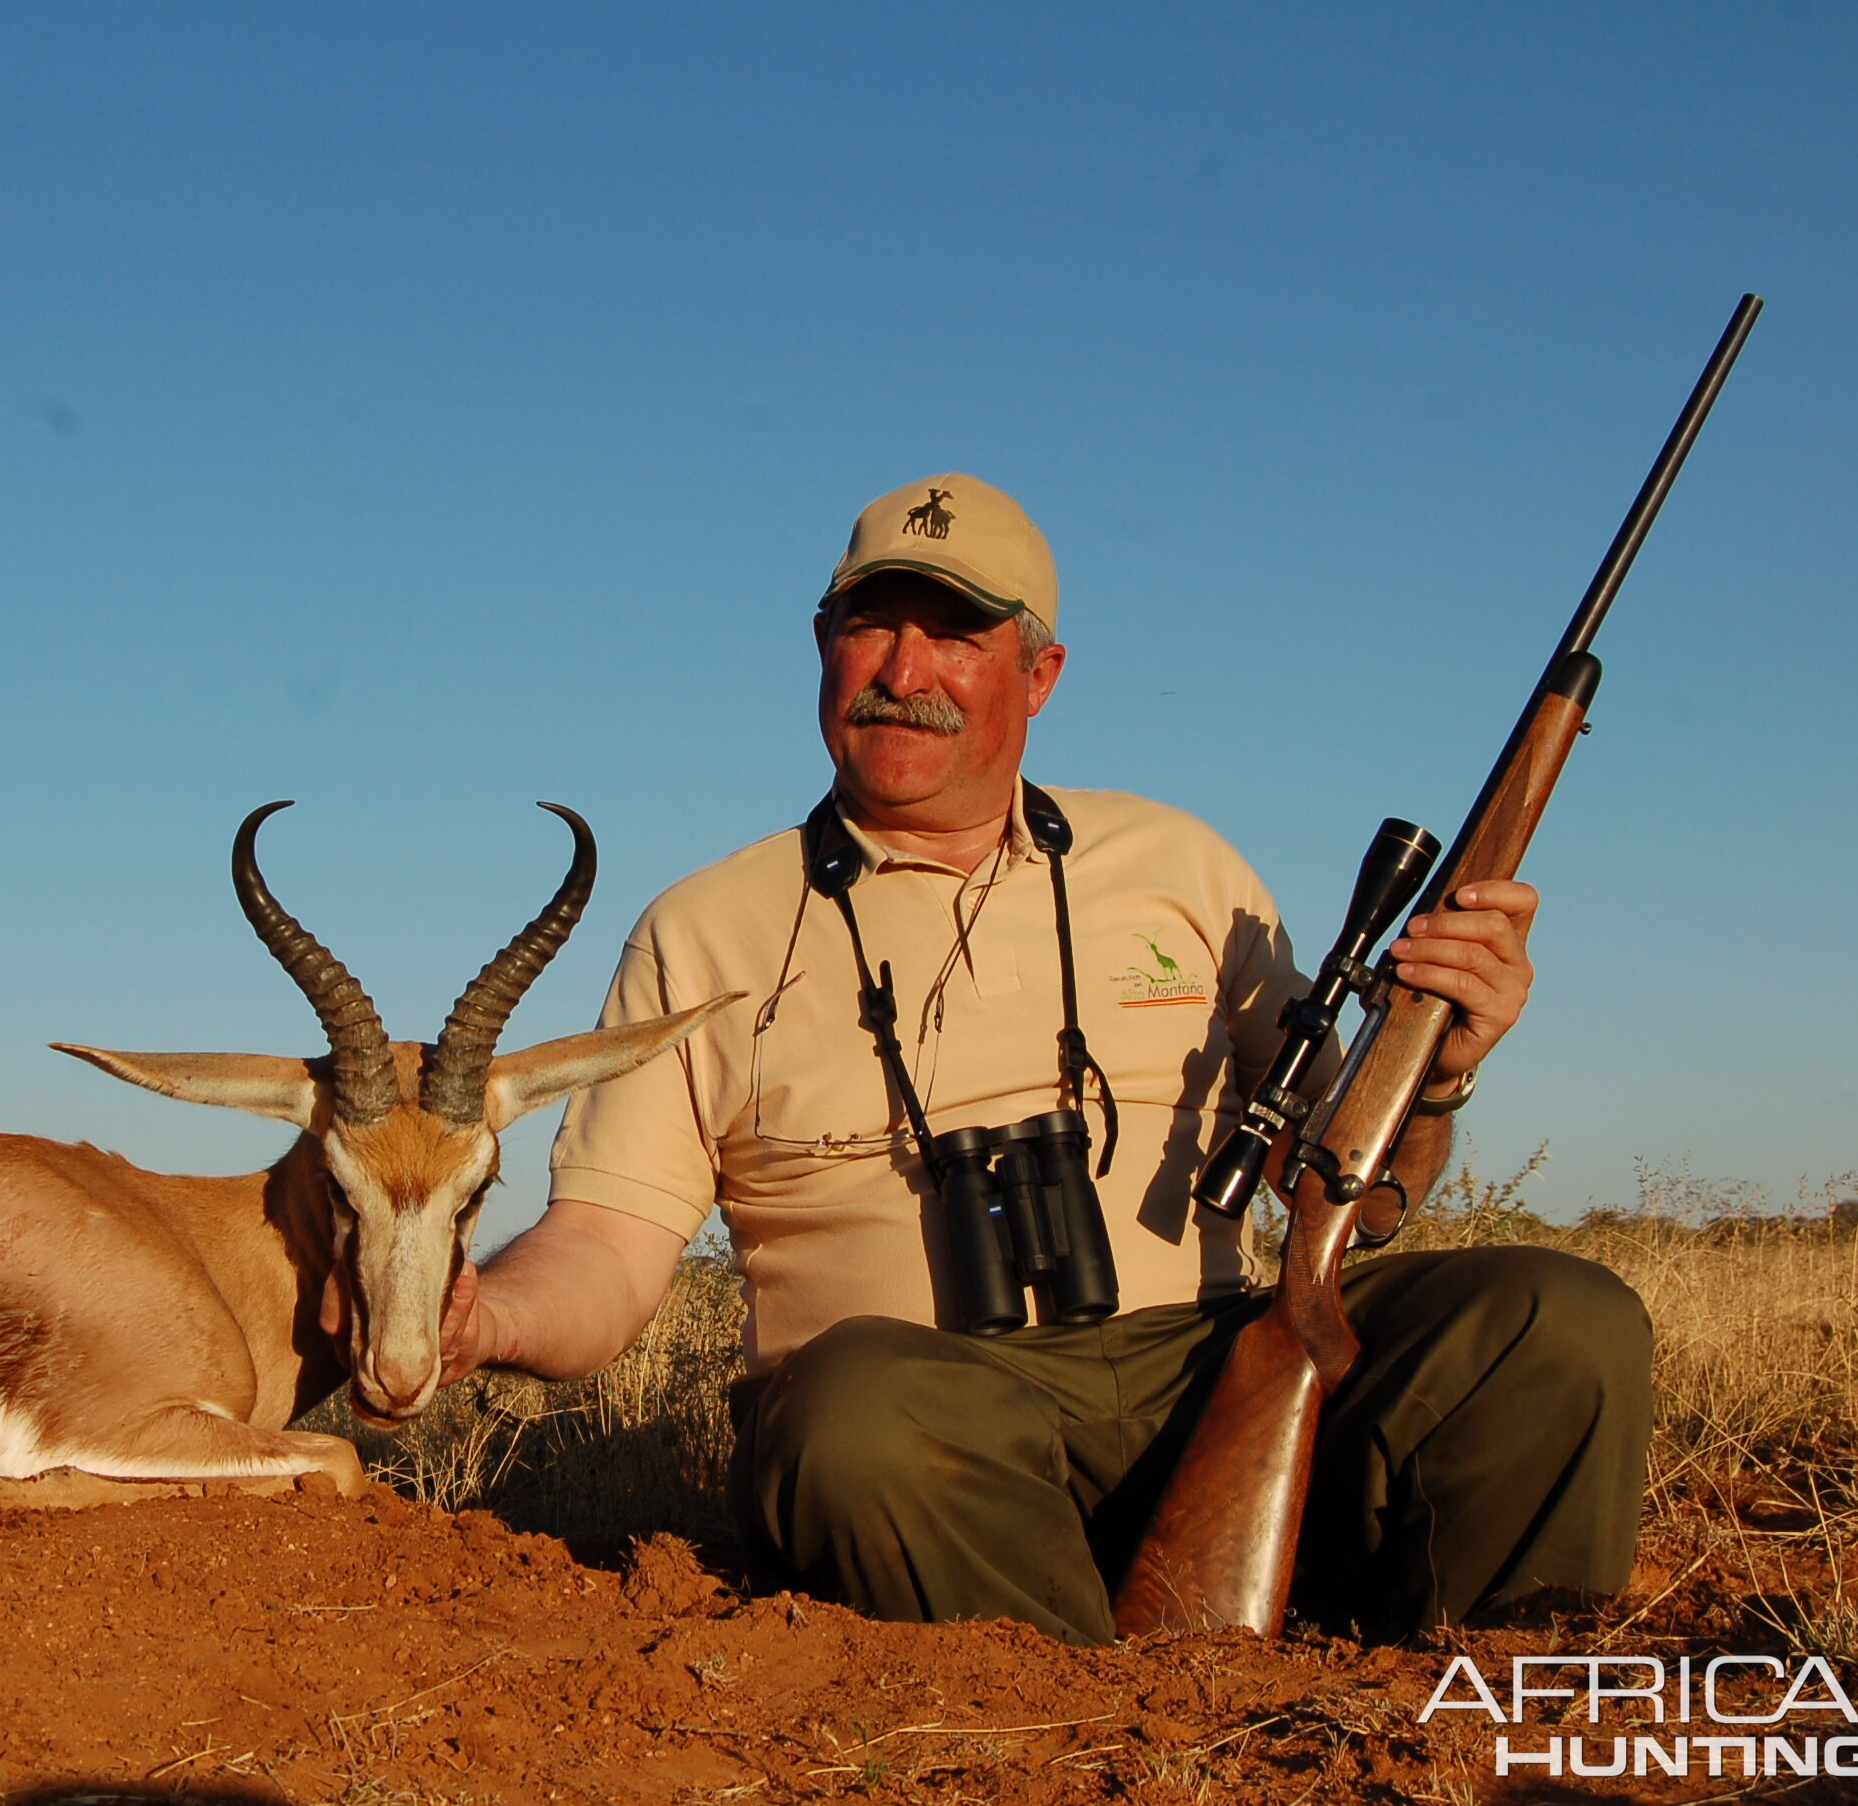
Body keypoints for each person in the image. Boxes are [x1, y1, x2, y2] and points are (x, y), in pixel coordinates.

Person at [438, 473, 1653, 1645]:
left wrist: (1435, 1070)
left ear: (1040, 671)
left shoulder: (1178, 862)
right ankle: (1098, 1736)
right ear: (821, 642)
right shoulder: (701, 924)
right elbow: (604, 1242)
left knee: (1554, 1317)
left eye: (956, 633)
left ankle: (1470, 1716)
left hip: (1209, 1361)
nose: (904, 673)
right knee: (851, 1411)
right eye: (871, 625)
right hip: (928, 1422)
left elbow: (1359, 1185)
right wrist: (479, 1311)